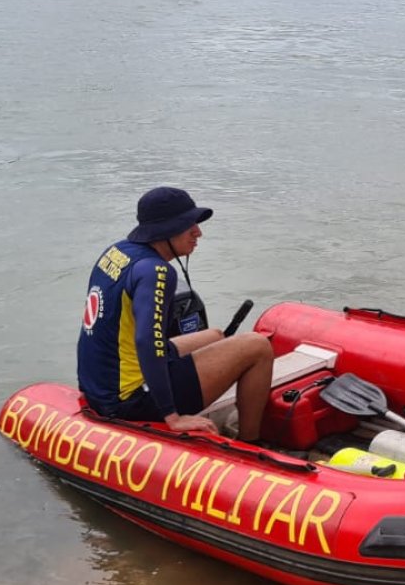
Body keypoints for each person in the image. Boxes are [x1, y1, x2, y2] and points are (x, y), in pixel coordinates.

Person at [76, 186, 275, 442]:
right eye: (187, 225)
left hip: (105, 383)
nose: (198, 233)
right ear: (163, 231)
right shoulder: (156, 272)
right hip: (130, 397)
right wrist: (171, 415)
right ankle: (251, 443)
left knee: (214, 335)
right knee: (257, 346)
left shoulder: (117, 252)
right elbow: (147, 341)